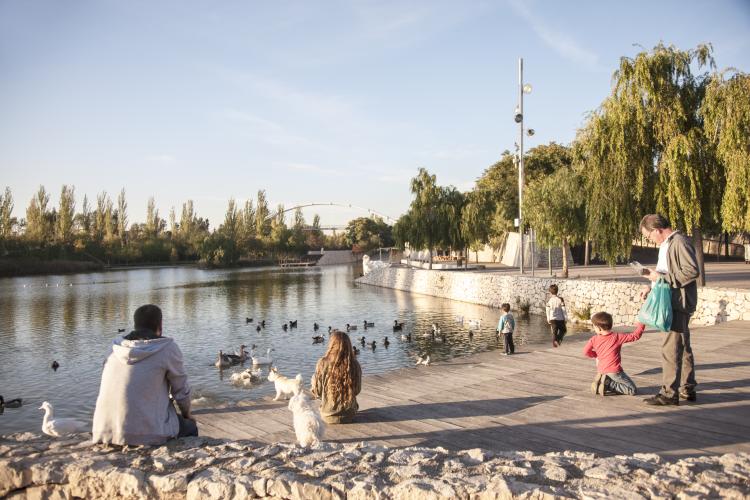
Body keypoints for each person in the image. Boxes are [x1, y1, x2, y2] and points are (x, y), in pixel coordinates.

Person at [92, 304, 196, 445]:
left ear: (135, 325)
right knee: (190, 427)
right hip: (148, 434)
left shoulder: (114, 347)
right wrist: (187, 415)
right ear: (160, 325)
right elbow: (181, 392)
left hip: (103, 432)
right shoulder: (167, 348)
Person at [639, 214, 699, 405]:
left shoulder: (679, 242)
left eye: (649, 236)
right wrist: (651, 283)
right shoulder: (667, 244)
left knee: (671, 348)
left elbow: (691, 271)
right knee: (682, 346)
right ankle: (686, 389)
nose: (650, 240)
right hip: (671, 298)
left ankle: (668, 393)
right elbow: (664, 273)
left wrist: (662, 279)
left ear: (657, 229)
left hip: (676, 302)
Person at [583, 312, 646, 395]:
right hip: (614, 371)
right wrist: (641, 324)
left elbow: (585, 352)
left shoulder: (594, 339)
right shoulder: (617, 337)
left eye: (594, 326)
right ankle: (609, 384)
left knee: (616, 380)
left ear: (599, 328)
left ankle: (604, 381)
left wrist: (596, 355)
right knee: (632, 390)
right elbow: (635, 336)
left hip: (601, 369)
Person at [310, 330, 362, 423]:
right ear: (349, 345)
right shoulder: (354, 364)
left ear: (331, 345)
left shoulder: (322, 363)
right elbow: (357, 391)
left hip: (327, 415)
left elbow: (318, 393)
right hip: (349, 414)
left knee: (314, 378)